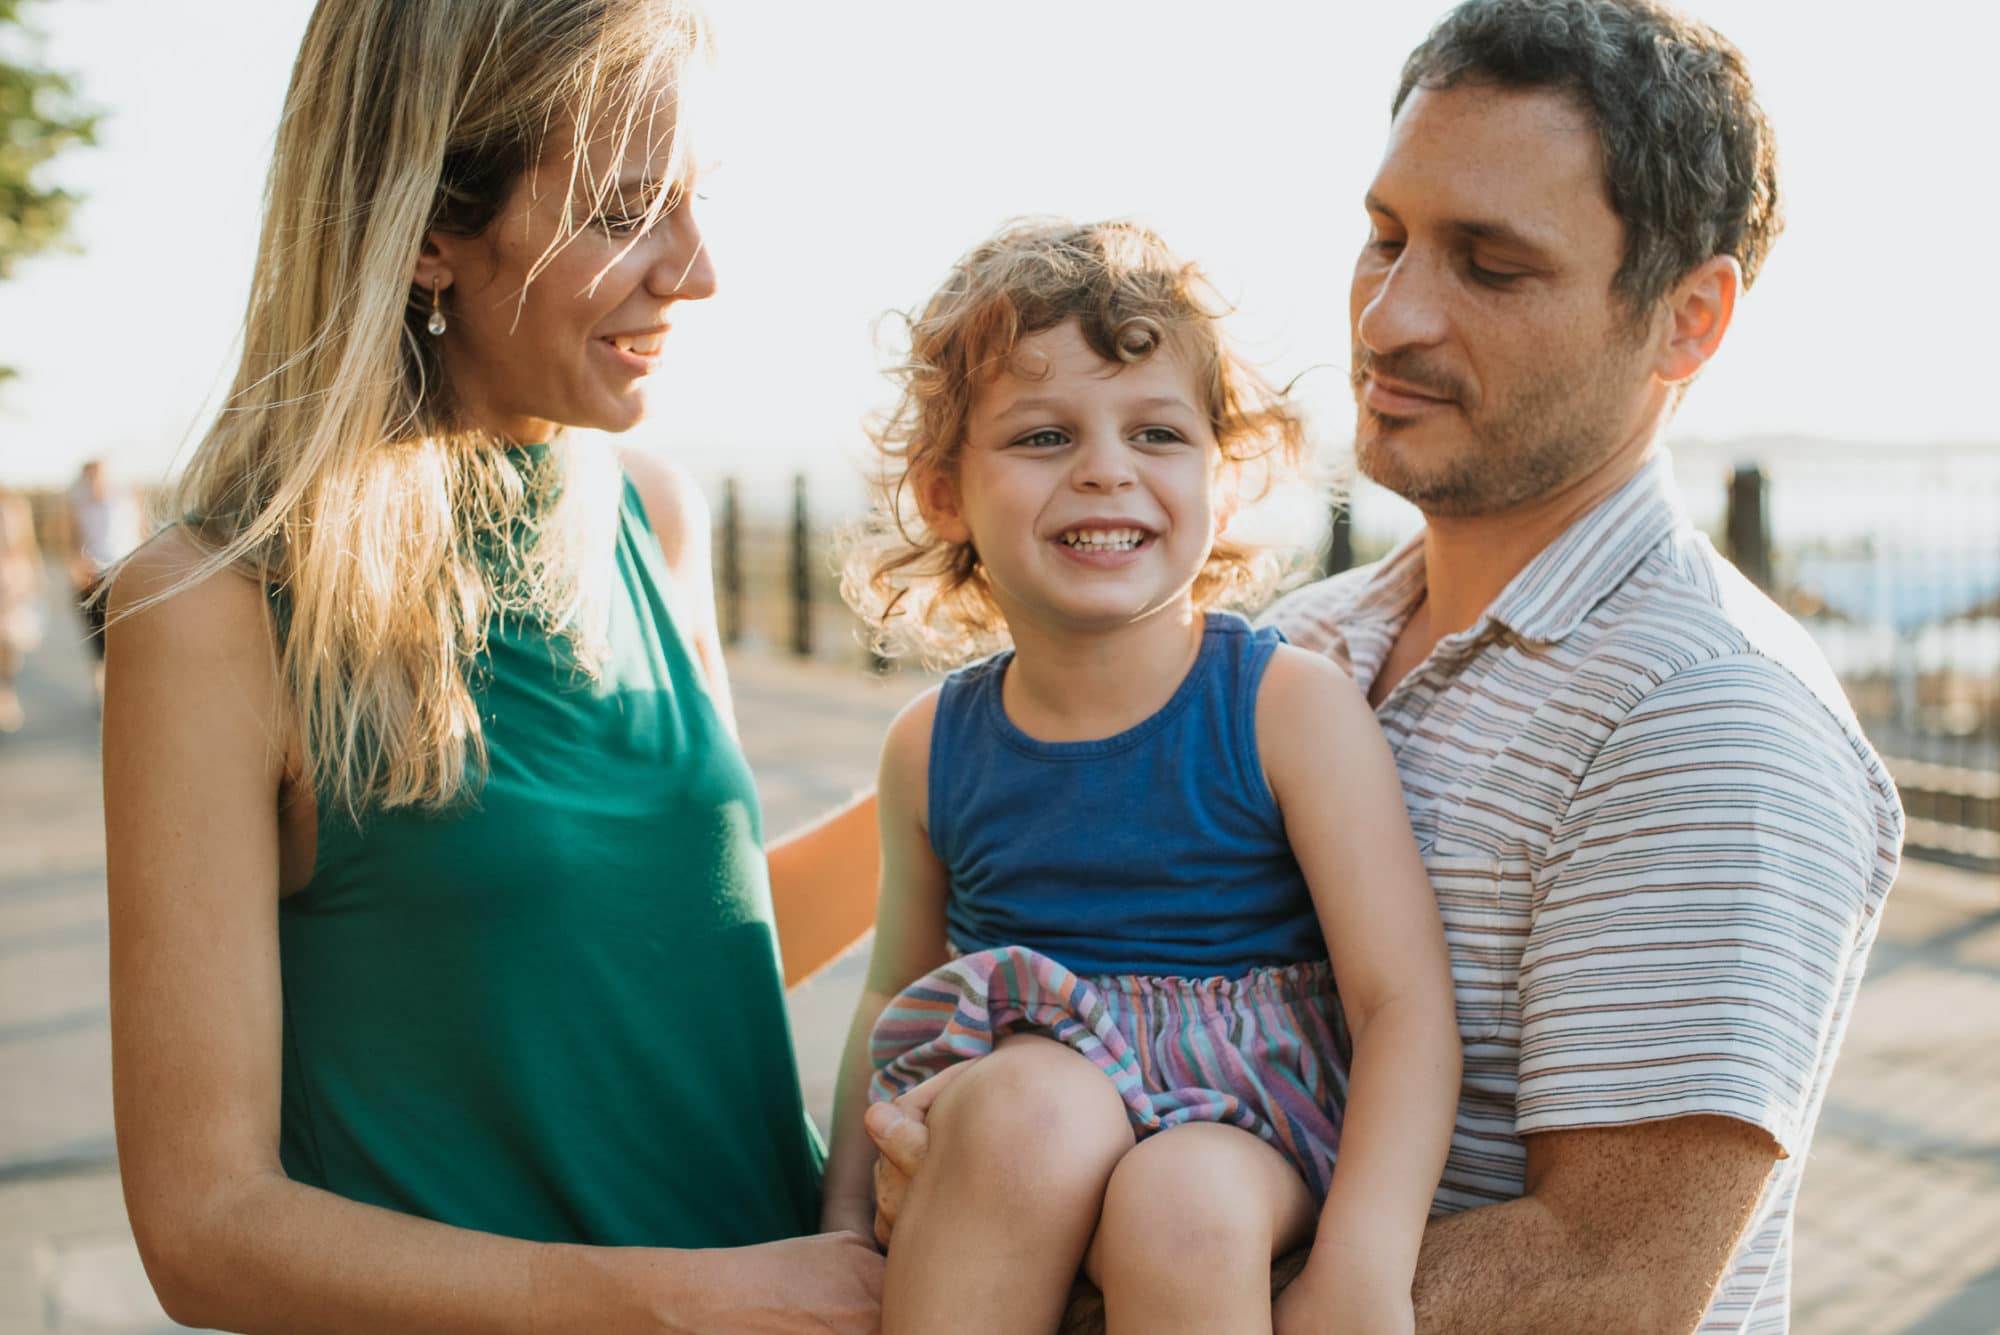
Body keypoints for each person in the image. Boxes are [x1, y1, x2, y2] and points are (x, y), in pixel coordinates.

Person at [865, 3, 1904, 1332]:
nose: (1394, 312)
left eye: (1493, 265)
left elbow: (1603, 1276)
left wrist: (1017, 1244)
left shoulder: (1707, 717)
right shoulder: (1305, 639)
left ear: (1686, 320)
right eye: (1387, 236)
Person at [101, 2, 881, 1331]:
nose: (696, 270)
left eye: (692, 200)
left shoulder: (654, 514)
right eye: (627, 208)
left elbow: (672, 952)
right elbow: (204, 1227)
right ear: (427, 237)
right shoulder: (209, 608)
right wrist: (681, 1302)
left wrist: (963, 769)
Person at [823, 219, 1461, 1335]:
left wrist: (1361, 1264)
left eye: (1156, 431)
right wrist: (835, 1235)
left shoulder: (1283, 708)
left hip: (1243, 1123)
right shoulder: (931, 745)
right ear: (940, 495)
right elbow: (888, 992)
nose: (1105, 468)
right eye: (1041, 437)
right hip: (1021, 1120)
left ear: (1221, 474)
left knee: (1182, 1201)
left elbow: (1400, 1002)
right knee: (1029, 1104)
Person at [64, 459, 141, 697]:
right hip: (91, 577)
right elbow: (71, 544)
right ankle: (103, 692)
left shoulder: (125, 502)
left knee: (124, 634)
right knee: (97, 636)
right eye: (91, 477)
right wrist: (78, 571)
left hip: (122, 573)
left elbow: (139, 534)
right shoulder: (77, 508)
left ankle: (123, 687)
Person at [0, 486, 45, 733]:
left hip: (12, 576)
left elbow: (28, 542)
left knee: (9, 639)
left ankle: (6, 689)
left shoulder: (16, 505)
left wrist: (36, 574)